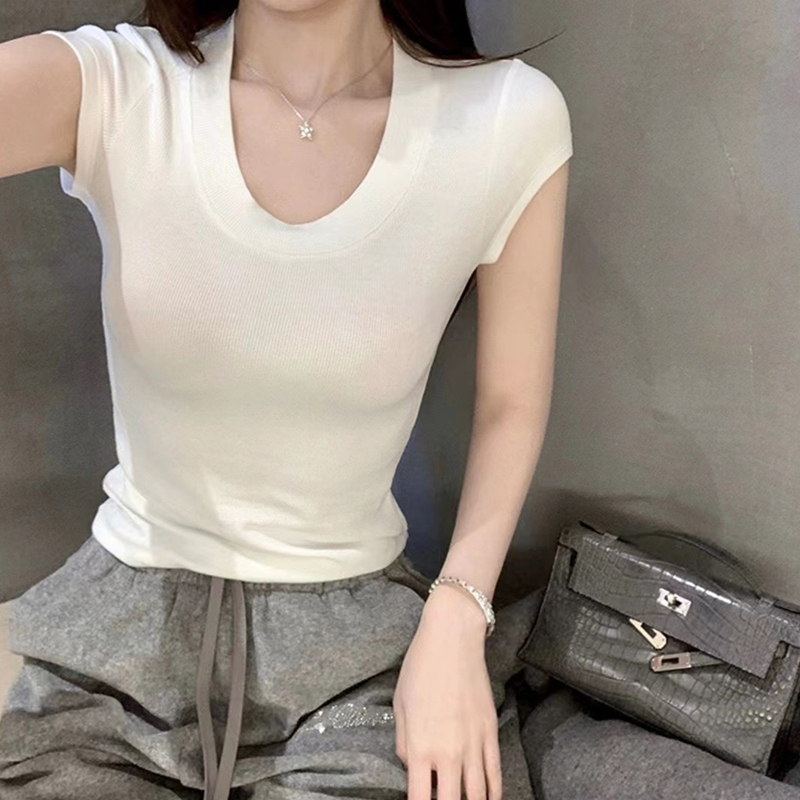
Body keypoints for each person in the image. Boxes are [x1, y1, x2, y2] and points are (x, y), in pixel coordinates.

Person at [0, 1, 573, 797]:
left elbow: (512, 400)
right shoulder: (120, 86)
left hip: (355, 670)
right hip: (112, 656)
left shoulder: (504, 118)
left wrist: (458, 611)